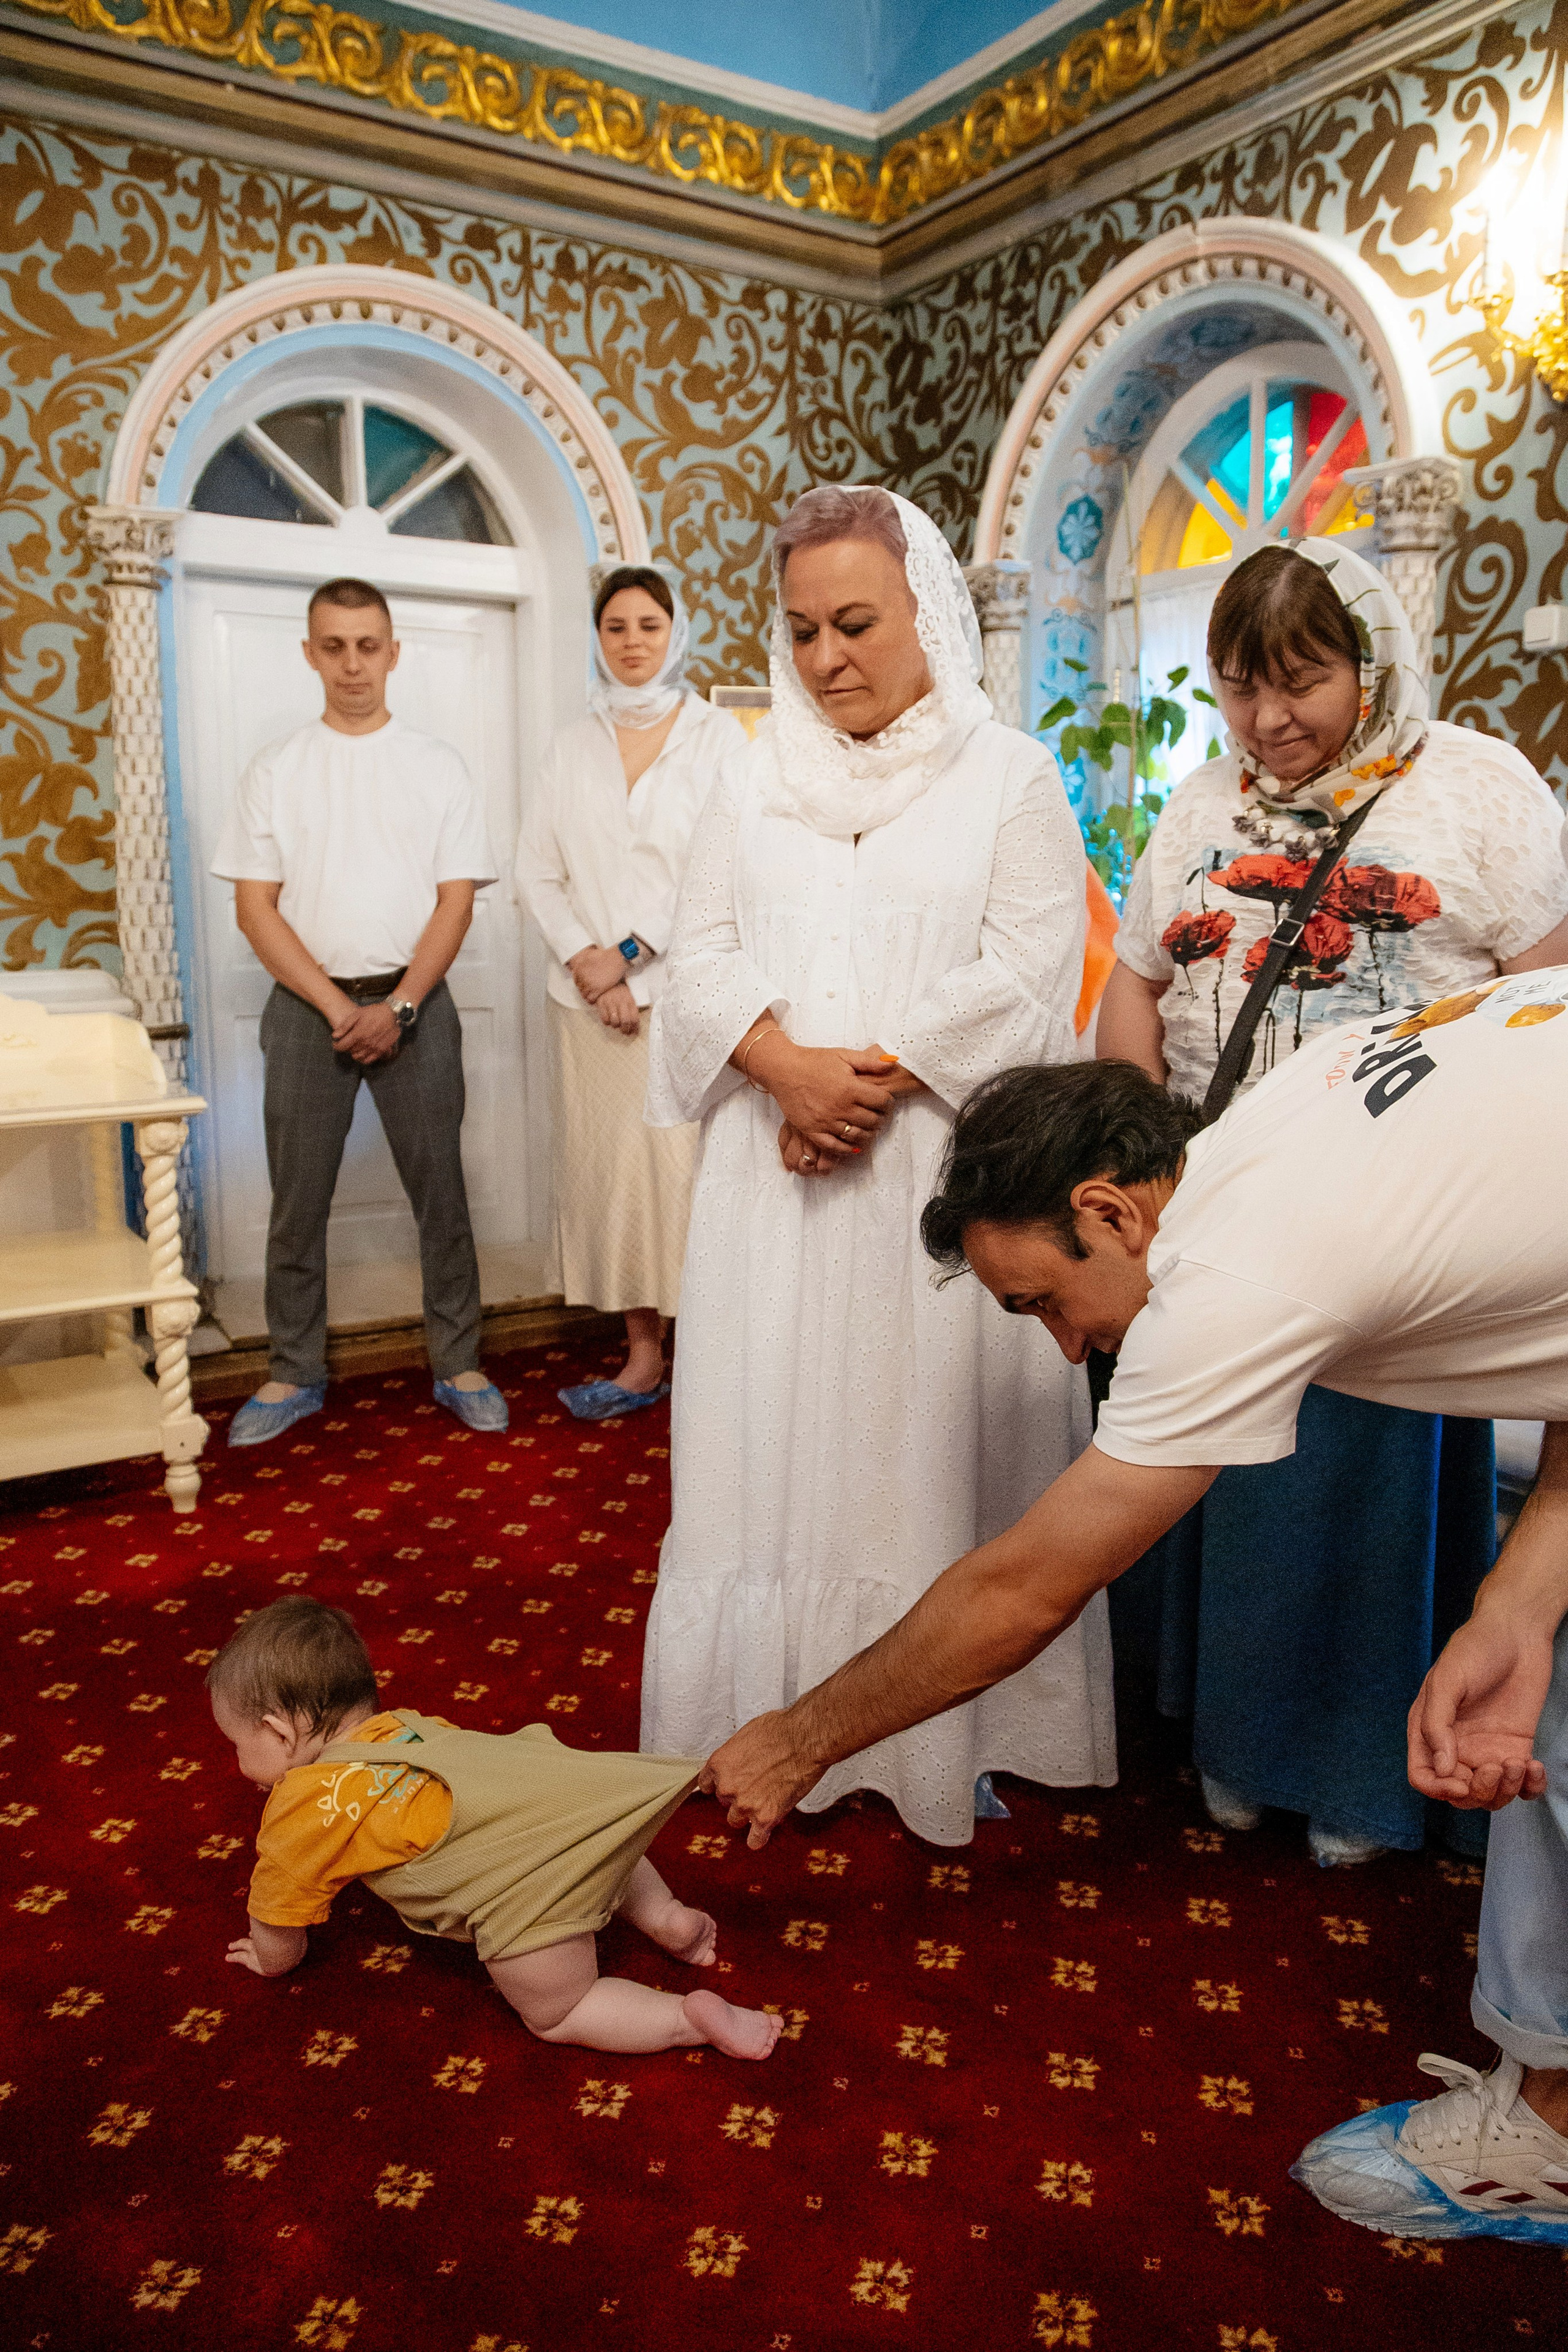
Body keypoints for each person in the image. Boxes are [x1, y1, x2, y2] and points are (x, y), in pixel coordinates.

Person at [703, 980, 1568, 2236]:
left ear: (1108, 1210)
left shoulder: (1226, 1275)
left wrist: (796, 1741)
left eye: (1044, 1302)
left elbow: (1023, 1588)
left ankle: (1547, 2131)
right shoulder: (1270, 1118)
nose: (1063, 1348)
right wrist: (1514, 1604)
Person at [641, 483, 1115, 1845]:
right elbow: (701, 954)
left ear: (928, 614)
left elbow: (1027, 974)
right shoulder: (745, 769)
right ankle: (761, 1704)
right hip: (768, 1169)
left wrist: (865, 1077)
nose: (825, 657)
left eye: (854, 622)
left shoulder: (1007, 775)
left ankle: (941, 1730)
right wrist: (783, 1068)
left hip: (940, 1177)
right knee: (770, 1424)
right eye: (798, 632)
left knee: (917, 1444)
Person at [1096, 539, 1568, 1865]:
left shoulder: (1474, 787)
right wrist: (1141, 1145)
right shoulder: (1197, 804)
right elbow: (1132, 979)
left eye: (1299, 681)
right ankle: (1237, 1753)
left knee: (1359, 1500)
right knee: (1236, 1485)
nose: (1268, 720)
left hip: (1409, 1223)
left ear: (1370, 663)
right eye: (1241, 687)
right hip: (1221, 1204)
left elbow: (1550, 999)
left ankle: (1359, 1775)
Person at [208, 1597, 780, 2060]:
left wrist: (271, 1958)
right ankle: (668, 1917)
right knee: (591, 1841)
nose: (236, 1761)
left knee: (562, 2011)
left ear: (279, 1732)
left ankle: (686, 2020)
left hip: (525, 1900)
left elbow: (278, 1914)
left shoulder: (300, 1812)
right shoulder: (409, 1727)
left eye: (238, 1745)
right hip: (574, 1825)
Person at [212, 578, 507, 1445]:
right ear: (310, 654)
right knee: (296, 1200)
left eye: (367, 645)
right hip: (309, 1012)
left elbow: (457, 900)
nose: (352, 664)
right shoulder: (276, 768)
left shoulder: (437, 765)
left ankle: (458, 1361)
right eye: (333, 646)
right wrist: (343, 1007)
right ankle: (292, 1369)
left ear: (393, 652)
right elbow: (256, 908)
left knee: (441, 1195)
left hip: (417, 1006)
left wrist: (402, 1005)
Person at [516, 567, 746, 1420]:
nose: (633, 641)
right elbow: (535, 867)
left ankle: (718, 1357)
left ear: (675, 632)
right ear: (599, 637)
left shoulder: (719, 738)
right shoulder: (569, 743)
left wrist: (629, 957)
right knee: (612, 1182)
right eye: (616, 626)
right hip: (586, 1008)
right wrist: (588, 960)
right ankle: (642, 1354)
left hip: (685, 998)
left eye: (649, 624)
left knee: (690, 1180)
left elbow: (721, 866)